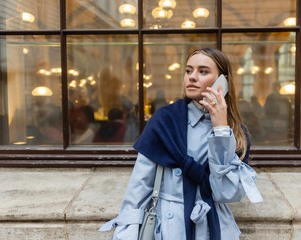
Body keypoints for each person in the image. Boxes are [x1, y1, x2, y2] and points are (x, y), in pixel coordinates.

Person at [99, 48, 263, 239]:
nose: (192, 77)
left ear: (223, 81)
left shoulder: (234, 131)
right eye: (188, 71)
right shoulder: (164, 120)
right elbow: (140, 185)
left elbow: (225, 193)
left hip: (214, 227)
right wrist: (126, 233)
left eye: (203, 71)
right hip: (170, 228)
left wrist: (220, 130)